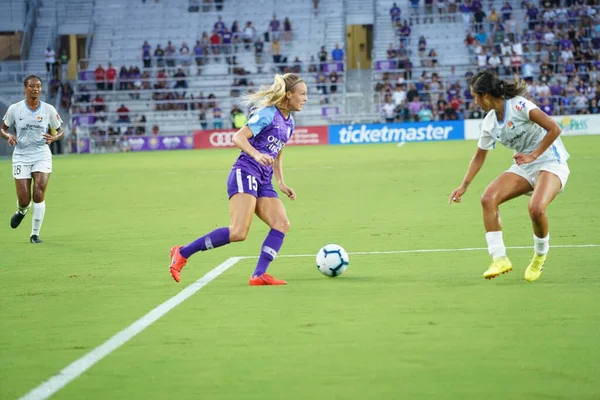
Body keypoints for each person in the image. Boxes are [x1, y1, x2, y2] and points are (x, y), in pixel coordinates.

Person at [169, 73, 307, 286]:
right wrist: (257, 155)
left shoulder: (290, 123)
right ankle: (182, 252)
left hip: (264, 179)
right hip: (246, 172)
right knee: (238, 232)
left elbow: (278, 151)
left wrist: (281, 182)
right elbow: (238, 137)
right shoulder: (268, 114)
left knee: (281, 223)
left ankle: (259, 275)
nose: (305, 98)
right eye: (302, 94)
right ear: (288, 95)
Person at [449, 70, 570, 283]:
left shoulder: (519, 106)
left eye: (475, 97)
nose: (474, 102)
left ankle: (539, 256)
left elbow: (554, 128)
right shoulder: (489, 123)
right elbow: (479, 157)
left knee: (536, 209)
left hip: (551, 162)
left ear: (485, 95)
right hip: (524, 166)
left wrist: (534, 155)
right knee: (488, 199)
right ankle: (499, 258)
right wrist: (463, 185)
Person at [1, 75, 64, 243]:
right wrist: (9, 136)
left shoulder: (48, 109)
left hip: (41, 153)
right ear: (25, 88)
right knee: (24, 199)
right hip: (21, 155)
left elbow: (60, 130)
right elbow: (3, 129)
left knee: (39, 191)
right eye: (32, 86)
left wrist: (54, 138)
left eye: (38, 86)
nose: (36, 89)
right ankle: (22, 211)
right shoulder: (15, 109)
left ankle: (35, 234)